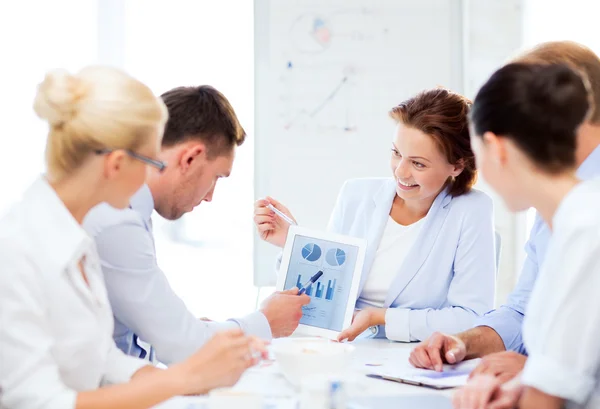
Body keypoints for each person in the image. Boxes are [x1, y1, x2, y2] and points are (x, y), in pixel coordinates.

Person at [0, 66, 267, 409]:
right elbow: (38, 402)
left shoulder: (74, 238)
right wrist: (186, 377)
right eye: (151, 162)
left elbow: (101, 356)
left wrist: (193, 375)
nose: (152, 178)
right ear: (115, 165)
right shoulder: (16, 251)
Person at [409, 41, 600, 377]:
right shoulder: (555, 198)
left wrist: (540, 376)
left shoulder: (584, 212)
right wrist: (465, 342)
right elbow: (523, 310)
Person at [83, 85, 310, 364]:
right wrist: (265, 322)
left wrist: (193, 331)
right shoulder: (116, 220)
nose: (210, 196)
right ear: (189, 158)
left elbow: (154, 333)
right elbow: (182, 347)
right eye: (216, 177)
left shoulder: (124, 206)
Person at [254, 88, 496, 342]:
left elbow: (471, 316)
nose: (400, 173)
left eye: (418, 164)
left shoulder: (471, 211)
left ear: (456, 166)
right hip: (341, 346)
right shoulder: (356, 195)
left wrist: (380, 317)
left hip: (410, 355)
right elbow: (324, 290)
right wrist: (293, 242)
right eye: (396, 153)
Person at [453, 62, 600, 409]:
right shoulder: (572, 218)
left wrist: (531, 393)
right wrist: (521, 388)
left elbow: (547, 400)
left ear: (496, 148)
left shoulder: (584, 231)